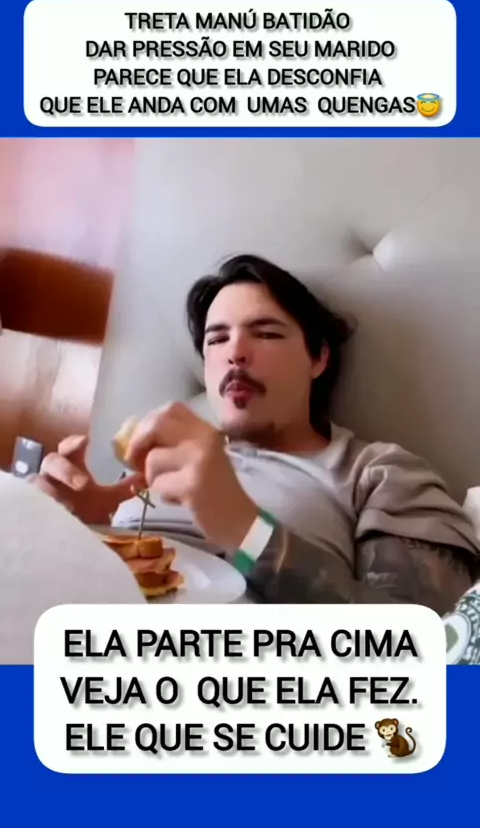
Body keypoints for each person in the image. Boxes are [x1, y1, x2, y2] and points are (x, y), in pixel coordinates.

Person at [29, 255, 480, 613]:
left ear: (318, 358)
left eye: (265, 334)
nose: (235, 353)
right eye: (216, 339)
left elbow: (421, 651)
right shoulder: (160, 464)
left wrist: (244, 528)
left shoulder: (379, 472)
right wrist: (81, 520)